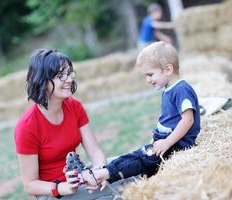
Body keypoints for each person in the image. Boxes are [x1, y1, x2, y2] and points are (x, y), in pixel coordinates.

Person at [84, 41, 201, 188]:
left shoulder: (181, 89)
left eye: (150, 74)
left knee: (142, 159)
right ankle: (104, 171)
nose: (148, 80)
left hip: (178, 145)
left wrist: (167, 142)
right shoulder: (169, 89)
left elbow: (188, 120)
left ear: (168, 69)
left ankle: (105, 174)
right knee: (136, 155)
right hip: (166, 141)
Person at [14, 49, 122, 200]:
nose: (69, 79)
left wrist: (99, 172)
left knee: (124, 167)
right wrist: (61, 187)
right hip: (53, 193)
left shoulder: (74, 106)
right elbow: (30, 185)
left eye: (69, 73)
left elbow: (95, 151)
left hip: (80, 176)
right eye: (60, 76)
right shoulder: (27, 126)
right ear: (43, 82)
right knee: (123, 187)